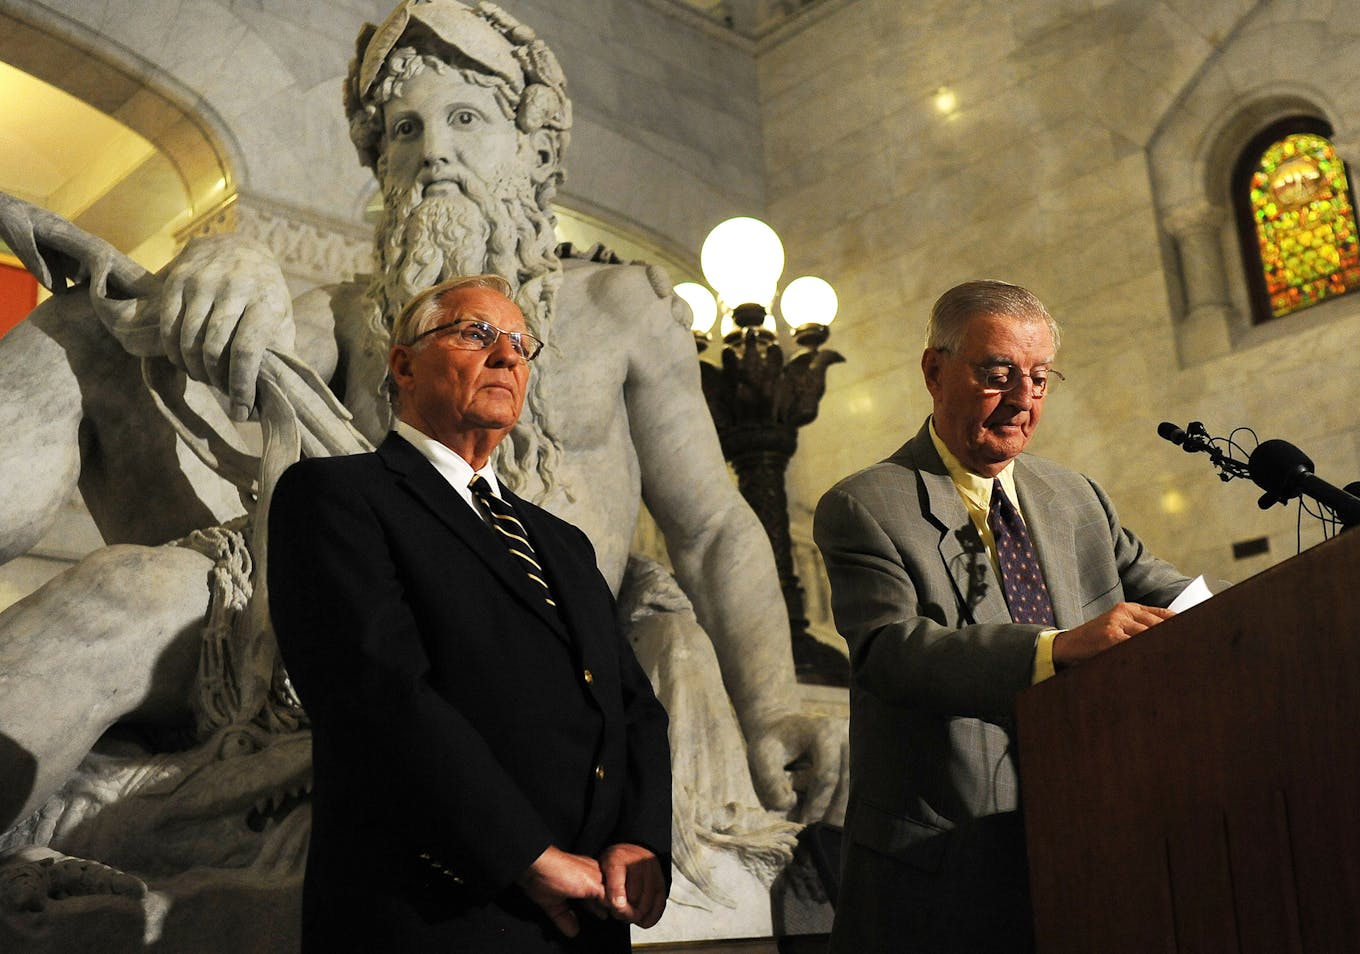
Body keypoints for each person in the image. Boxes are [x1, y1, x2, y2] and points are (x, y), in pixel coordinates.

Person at [0, 0, 843, 848]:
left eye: (465, 118)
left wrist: (771, 706)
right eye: (403, 129)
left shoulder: (616, 310)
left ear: (535, 149)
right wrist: (227, 263)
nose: (431, 149)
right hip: (337, 619)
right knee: (84, 355)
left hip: (520, 643)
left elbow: (709, 529)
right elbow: (200, 373)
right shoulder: (349, 316)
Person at [267, 273, 671, 952]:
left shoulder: (563, 542)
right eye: (476, 333)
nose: (508, 356)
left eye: (519, 343)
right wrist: (527, 857)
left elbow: (632, 705)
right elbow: (378, 697)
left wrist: (640, 838)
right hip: (435, 913)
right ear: (402, 364)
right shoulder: (336, 497)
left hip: (592, 916)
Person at [813, 280, 1192, 953]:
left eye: (1041, 379)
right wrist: (1056, 650)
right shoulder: (866, 505)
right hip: (942, 869)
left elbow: (1169, 593)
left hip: (1090, 846)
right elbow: (893, 653)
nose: (1023, 400)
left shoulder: (1075, 497)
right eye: (998, 376)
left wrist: (1271, 611)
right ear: (934, 371)